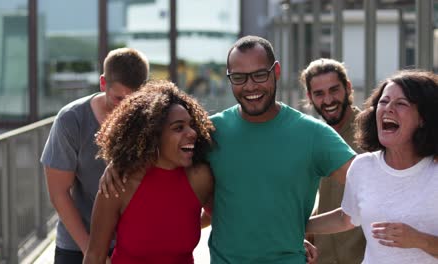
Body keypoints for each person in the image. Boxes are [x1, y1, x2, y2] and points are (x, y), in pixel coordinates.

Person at [98, 35, 355, 263]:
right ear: (229, 77)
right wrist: (120, 162)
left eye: (259, 75)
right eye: (239, 78)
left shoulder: (313, 134)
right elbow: (160, 148)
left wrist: (300, 227)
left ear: (276, 72)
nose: (250, 86)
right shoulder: (211, 131)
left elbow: (371, 187)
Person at [306, 70, 438, 263]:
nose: (388, 109)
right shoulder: (363, 166)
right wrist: (296, 226)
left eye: (401, 103)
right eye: (383, 102)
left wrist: (418, 240)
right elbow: (346, 217)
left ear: (423, 118)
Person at [83, 80, 215, 264]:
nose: (192, 133)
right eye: (178, 127)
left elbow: (219, 215)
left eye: (191, 125)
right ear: (153, 136)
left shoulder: (200, 178)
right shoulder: (119, 184)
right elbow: (94, 257)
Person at [40, 47, 149, 263]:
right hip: (78, 243)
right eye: (119, 98)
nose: (125, 106)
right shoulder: (71, 120)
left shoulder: (151, 119)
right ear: (102, 83)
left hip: (134, 244)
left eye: (133, 99)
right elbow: (59, 194)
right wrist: (93, 252)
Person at [300, 58, 366, 264]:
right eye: (319, 94)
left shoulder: (373, 134)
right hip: (323, 258)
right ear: (310, 97)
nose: (328, 100)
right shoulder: (313, 138)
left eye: (334, 90)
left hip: (364, 257)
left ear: (348, 88)